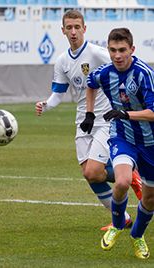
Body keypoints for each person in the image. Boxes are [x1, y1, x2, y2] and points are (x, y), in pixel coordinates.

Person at [35, 10, 142, 231]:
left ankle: (129, 182)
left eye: (77, 27)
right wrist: (46, 104)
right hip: (83, 121)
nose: (73, 32)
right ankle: (125, 215)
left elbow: (126, 64)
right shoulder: (62, 61)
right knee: (90, 174)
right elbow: (58, 93)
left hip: (105, 120)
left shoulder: (98, 54)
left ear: (84, 29)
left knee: (94, 170)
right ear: (62, 30)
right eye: (69, 28)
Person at [81, 27, 154, 259]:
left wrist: (126, 114)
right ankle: (117, 225)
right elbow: (90, 84)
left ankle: (137, 236)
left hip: (150, 142)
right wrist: (89, 114)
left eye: (122, 50)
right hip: (123, 136)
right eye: (112, 50)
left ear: (132, 49)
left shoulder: (144, 74)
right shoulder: (104, 72)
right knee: (121, 181)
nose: (117, 55)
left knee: (151, 199)